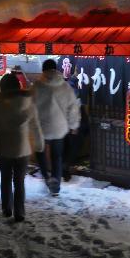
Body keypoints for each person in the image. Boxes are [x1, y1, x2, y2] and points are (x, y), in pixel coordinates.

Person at [0, 72, 44, 223]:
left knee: (5, 179)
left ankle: (6, 208)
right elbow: (36, 126)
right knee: (19, 182)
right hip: (22, 149)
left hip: (3, 148)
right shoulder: (29, 102)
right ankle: (20, 212)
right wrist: (39, 144)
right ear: (18, 86)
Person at [32, 58, 80, 195]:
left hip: (42, 128)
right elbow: (73, 107)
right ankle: (55, 185)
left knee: (40, 153)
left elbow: (29, 106)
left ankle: (46, 177)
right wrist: (73, 125)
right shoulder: (64, 86)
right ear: (56, 69)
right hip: (59, 128)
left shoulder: (36, 86)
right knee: (57, 156)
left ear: (43, 70)